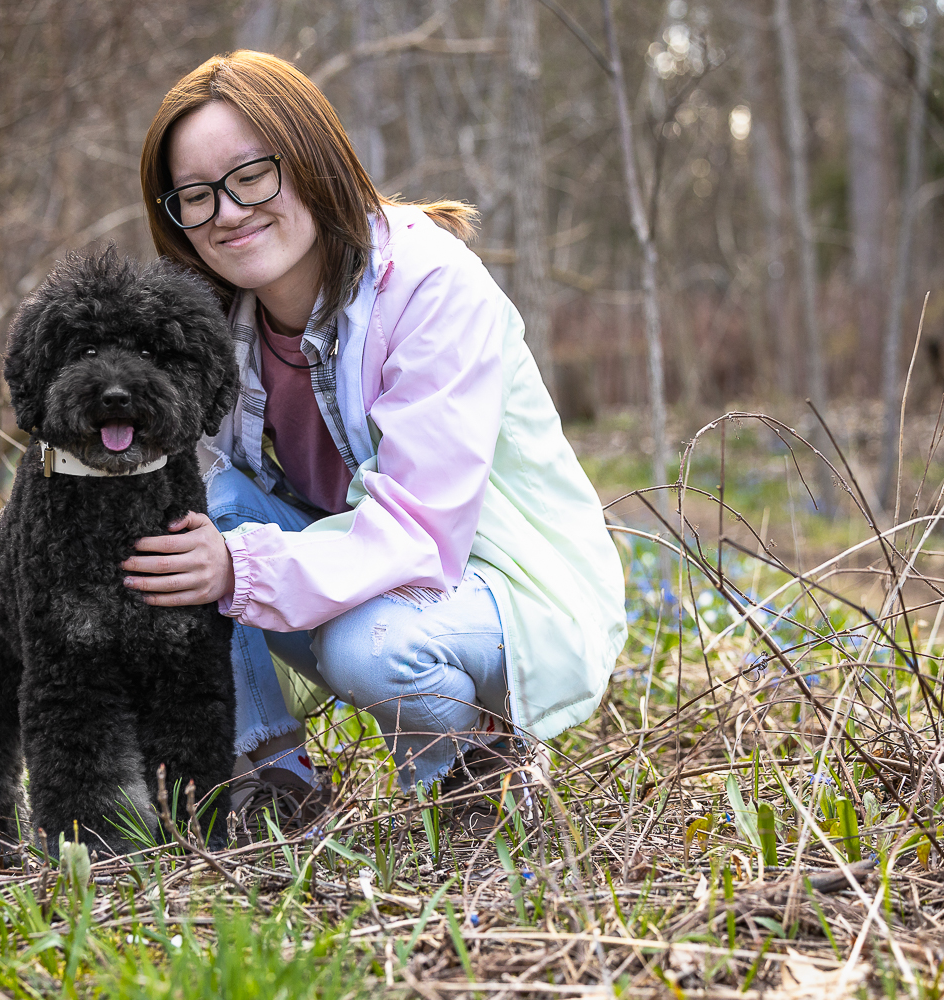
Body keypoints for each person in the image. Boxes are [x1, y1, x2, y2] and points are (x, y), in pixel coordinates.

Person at [119, 50, 626, 827]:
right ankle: (270, 778)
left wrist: (238, 565)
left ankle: (474, 777)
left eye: (251, 176)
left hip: (499, 583)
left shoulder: (431, 283)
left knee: (369, 644)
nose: (226, 211)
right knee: (181, 506)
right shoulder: (218, 324)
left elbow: (422, 531)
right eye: (195, 195)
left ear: (312, 159)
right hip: (353, 563)